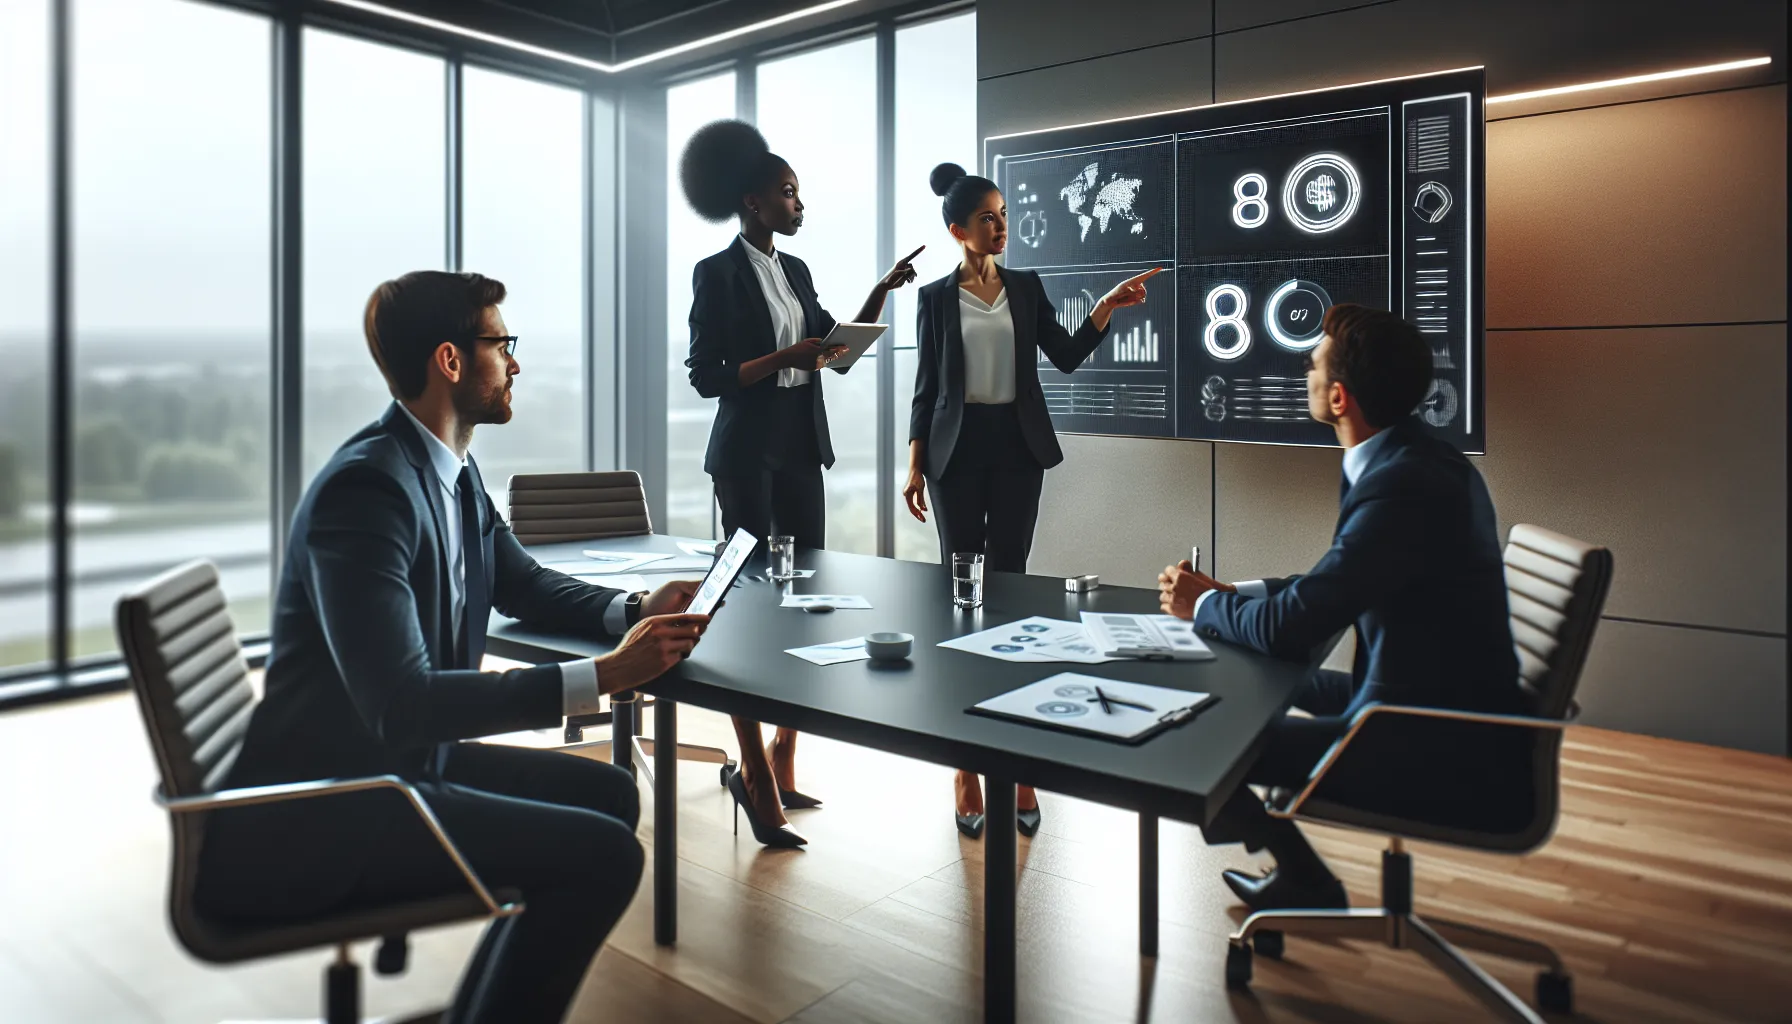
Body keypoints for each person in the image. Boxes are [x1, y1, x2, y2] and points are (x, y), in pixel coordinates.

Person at [194, 271, 712, 1024]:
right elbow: (404, 703)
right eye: (502, 344)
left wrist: (633, 607)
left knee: (611, 793)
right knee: (605, 857)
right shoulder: (367, 493)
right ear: (451, 361)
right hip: (324, 808)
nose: (516, 363)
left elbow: (525, 584)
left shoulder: (449, 470)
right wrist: (605, 675)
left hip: (393, 769)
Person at [1158, 303, 1523, 912]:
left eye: (1312, 365)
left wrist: (1201, 610)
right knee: (1242, 699)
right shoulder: (1414, 460)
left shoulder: (1401, 485)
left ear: (1338, 398)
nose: (1303, 372)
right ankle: (1301, 876)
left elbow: (1293, 626)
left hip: (1431, 744)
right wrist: (1228, 596)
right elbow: (1332, 583)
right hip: (1428, 703)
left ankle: (1304, 878)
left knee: (1199, 737)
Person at [680, 118, 924, 848]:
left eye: (799, 194)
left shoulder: (797, 272)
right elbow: (705, 376)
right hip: (746, 453)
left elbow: (836, 353)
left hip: (799, 448)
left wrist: (879, 294)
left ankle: (783, 764)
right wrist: (782, 353)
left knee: (804, 605)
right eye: (788, 193)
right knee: (748, 614)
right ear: (753, 201)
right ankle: (750, 770)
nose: (799, 203)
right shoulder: (715, 274)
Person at [904, 162, 1160, 840]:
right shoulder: (933, 299)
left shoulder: (1026, 286)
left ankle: (1014, 760)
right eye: (987, 217)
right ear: (958, 229)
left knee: (1011, 594)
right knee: (964, 600)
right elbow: (927, 390)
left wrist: (1105, 307)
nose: (1000, 225)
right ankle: (964, 764)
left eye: (1003, 213)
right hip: (955, 455)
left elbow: (1068, 355)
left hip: (1018, 451)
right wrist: (913, 465)